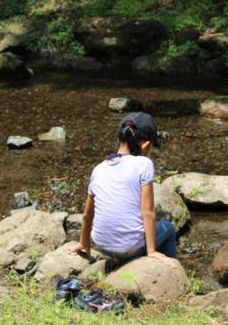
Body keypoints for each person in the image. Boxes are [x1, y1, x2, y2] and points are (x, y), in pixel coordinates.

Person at [73, 112, 177, 264]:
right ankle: (169, 270)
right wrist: (152, 251)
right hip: (129, 248)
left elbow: (87, 214)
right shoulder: (144, 164)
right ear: (146, 145)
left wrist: (84, 243)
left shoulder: (99, 168)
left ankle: (121, 259)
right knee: (168, 228)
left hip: (102, 245)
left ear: (119, 139)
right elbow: (147, 211)